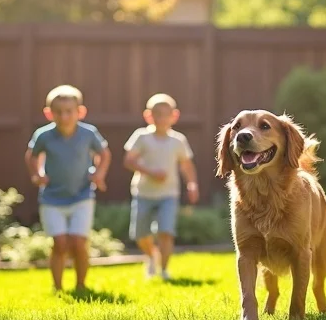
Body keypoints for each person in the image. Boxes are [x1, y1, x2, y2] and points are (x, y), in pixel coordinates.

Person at [25, 85, 111, 293]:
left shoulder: (88, 134)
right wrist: (36, 175)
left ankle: (81, 285)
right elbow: (31, 155)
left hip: (82, 196)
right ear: (49, 113)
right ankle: (57, 287)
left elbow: (105, 154)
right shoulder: (44, 135)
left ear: (80, 112)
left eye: (69, 112)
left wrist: (99, 174)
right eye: (58, 112)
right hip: (52, 198)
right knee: (61, 243)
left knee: (79, 243)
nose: (64, 117)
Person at [123, 93, 199, 280]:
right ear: (149, 116)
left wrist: (192, 184)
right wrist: (149, 172)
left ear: (175, 116)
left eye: (166, 114)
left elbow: (186, 165)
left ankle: (164, 270)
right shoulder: (141, 137)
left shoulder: (178, 140)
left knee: (166, 232)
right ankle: (151, 256)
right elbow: (129, 161)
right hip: (143, 193)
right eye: (157, 114)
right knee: (141, 234)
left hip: (169, 194)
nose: (162, 119)